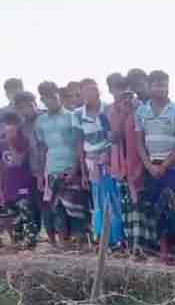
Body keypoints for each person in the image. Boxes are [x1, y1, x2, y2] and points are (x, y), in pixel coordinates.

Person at [135, 70, 175, 264]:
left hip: (174, 168)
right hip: (152, 168)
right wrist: (149, 166)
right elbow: (139, 142)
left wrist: (166, 164)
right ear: (149, 87)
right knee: (158, 209)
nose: (161, 89)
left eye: (164, 85)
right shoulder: (142, 112)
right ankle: (163, 250)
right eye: (157, 85)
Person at [73, 78, 125, 250]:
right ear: (81, 93)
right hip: (92, 163)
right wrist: (83, 171)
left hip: (111, 160)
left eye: (93, 89)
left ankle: (118, 239)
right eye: (86, 90)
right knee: (99, 201)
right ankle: (104, 240)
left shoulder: (108, 109)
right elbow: (80, 143)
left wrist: (109, 154)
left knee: (115, 199)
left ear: (99, 91)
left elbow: (115, 136)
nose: (90, 93)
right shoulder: (78, 114)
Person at [106, 74, 153, 255]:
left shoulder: (142, 108)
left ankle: (144, 245)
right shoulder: (112, 111)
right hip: (122, 164)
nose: (122, 94)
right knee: (128, 205)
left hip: (140, 162)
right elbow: (115, 136)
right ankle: (132, 244)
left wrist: (132, 112)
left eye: (125, 90)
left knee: (142, 204)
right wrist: (124, 113)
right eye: (118, 89)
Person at [36, 81, 88, 246]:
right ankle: (63, 246)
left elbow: (79, 145)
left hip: (72, 169)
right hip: (51, 170)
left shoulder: (72, 116)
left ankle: (80, 244)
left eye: (53, 96)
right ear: (42, 99)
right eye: (46, 97)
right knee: (57, 209)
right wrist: (40, 175)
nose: (50, 100)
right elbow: (42, 149)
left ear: (58, 95)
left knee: (76, 209)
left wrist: (75, 169)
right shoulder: (40, 121)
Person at [0, 111, 40, 249]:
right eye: (6, 124)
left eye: (12, 124)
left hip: (22, 183)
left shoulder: (23, 141)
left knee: (26, 212)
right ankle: (17, 242)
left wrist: (10, 142)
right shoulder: (1, 144)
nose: (8, 127)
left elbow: (18, 161)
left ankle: (31, 242)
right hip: (7, 184)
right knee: (13, 216)